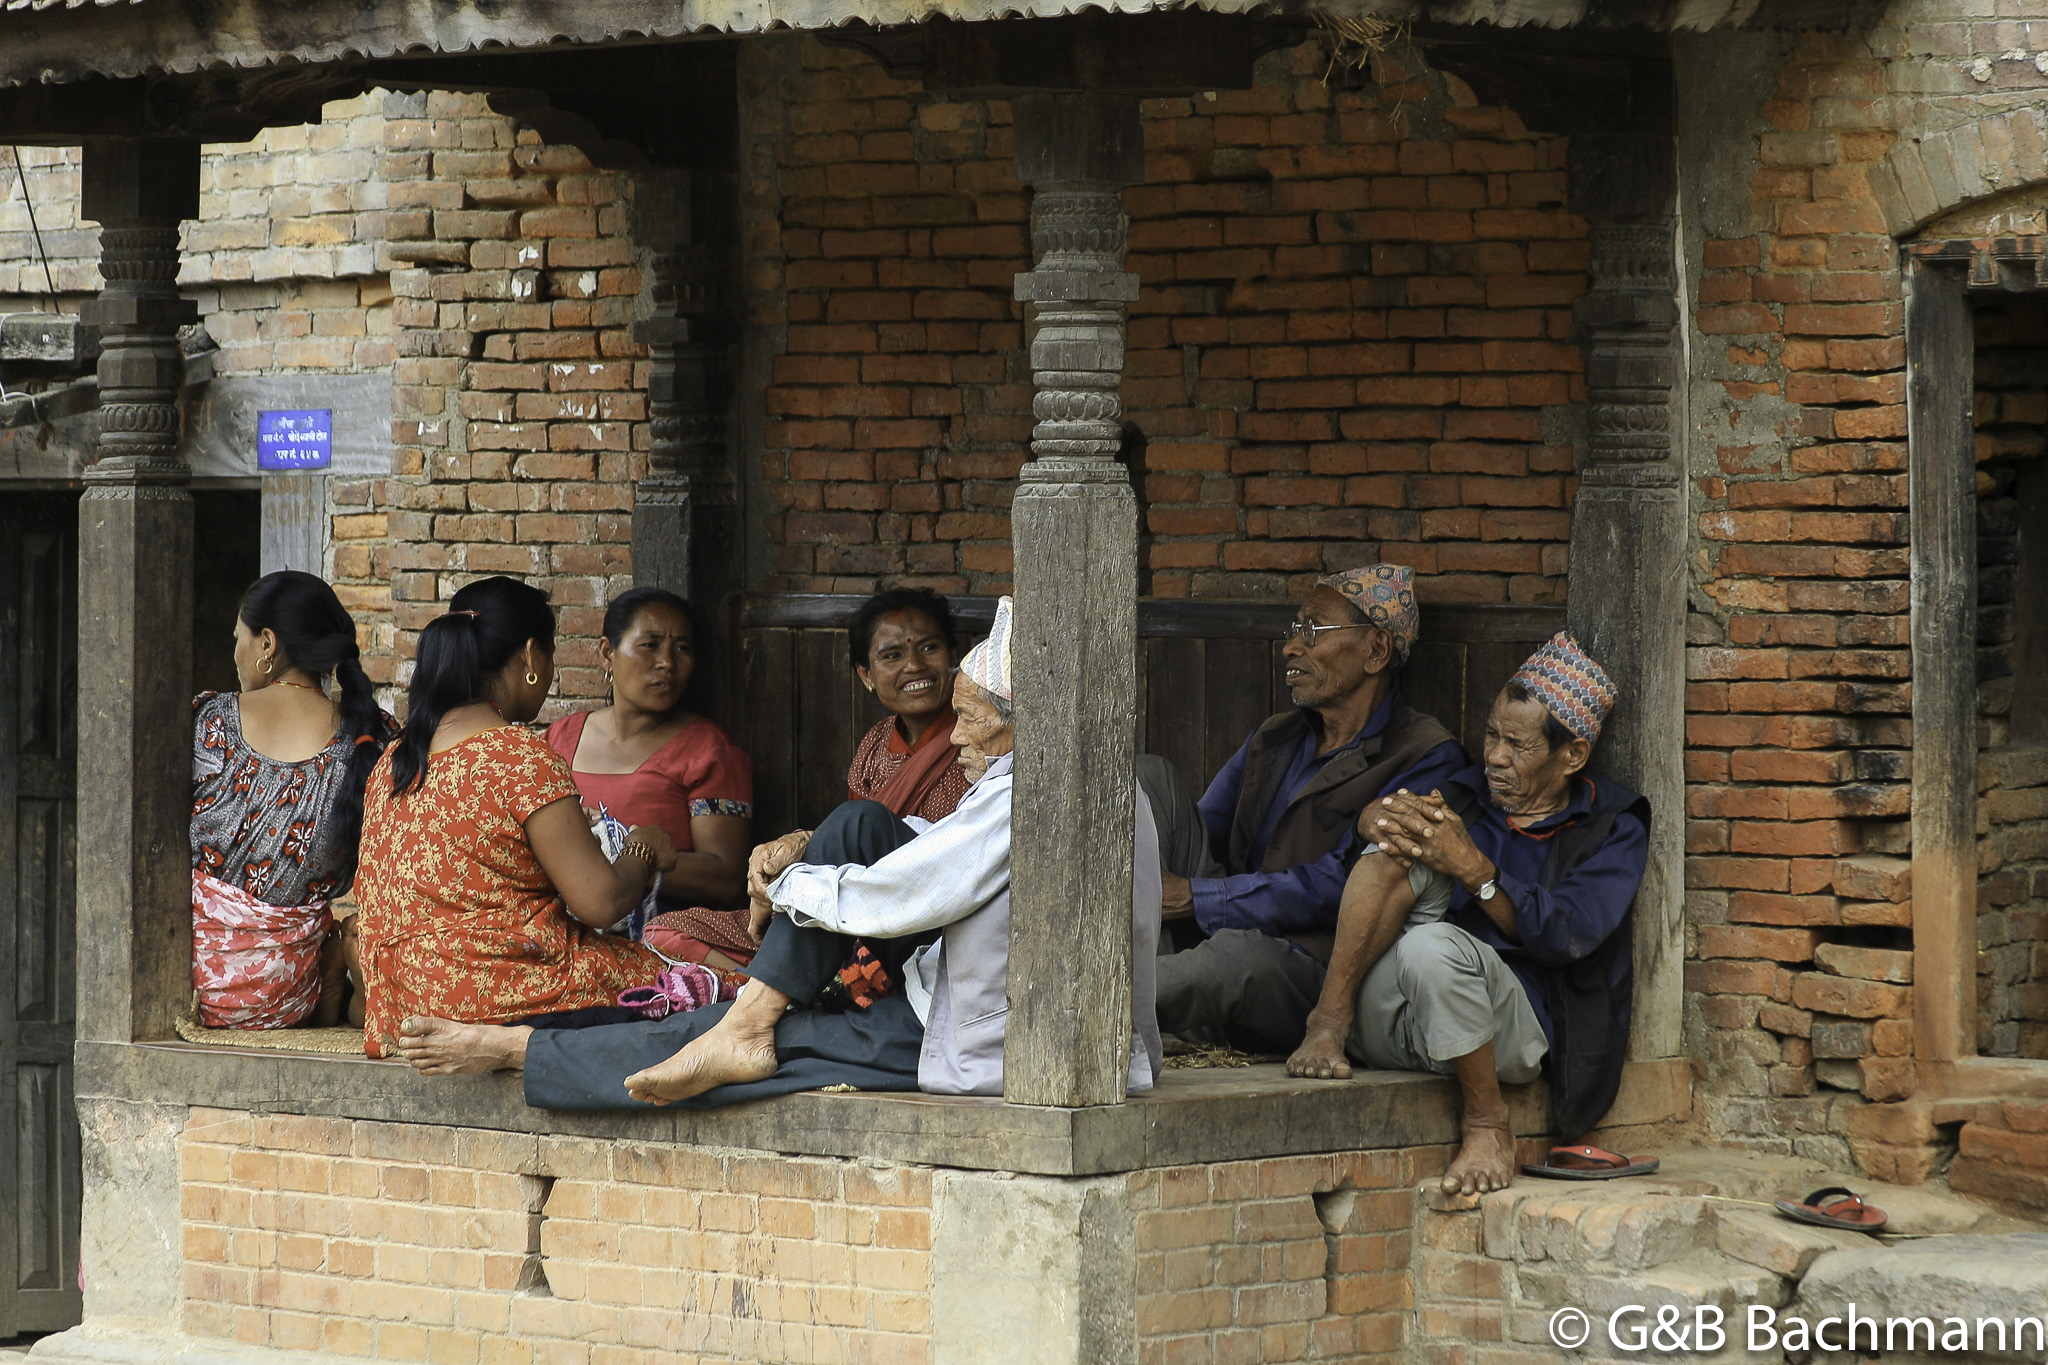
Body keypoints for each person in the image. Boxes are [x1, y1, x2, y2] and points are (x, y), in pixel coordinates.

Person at [388, 595, 1166, 1110]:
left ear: (1022, 718)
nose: (955, 735)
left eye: (971, 720)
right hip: (952, 987)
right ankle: (750, 1018)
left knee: (736, 1032)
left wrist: (794, 885)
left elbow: (914, 894)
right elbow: (937, 853)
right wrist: (805, 853)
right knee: (857, 825)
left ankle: (526, 1050)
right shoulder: (1077, 773)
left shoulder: (1039, 788)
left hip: (979, 1040)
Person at [1286, 632, 1649, 1199]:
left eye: (1519, 746)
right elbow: (1353, 860)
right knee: (1406, 839)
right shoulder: (1466, 792)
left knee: (1432, 944)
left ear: (1571, 755)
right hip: (1404, 1021)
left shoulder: (1612, 828)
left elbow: (1565, 934)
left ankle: (1486, 1123)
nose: (1495, 757)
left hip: (1511, 1031)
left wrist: (1477, 872)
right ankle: (1327, 1025)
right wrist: (1372, 820)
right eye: (1491, 736)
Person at [353, 576, 681, 1059]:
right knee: (706, 989)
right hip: (500, 998)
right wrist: (644, 847)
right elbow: (602, 902)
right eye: (548, 656)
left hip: (405, 1011)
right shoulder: (519, 754)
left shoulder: (396, 760)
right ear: (530, 657)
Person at [1150, 564, 1464, 1054]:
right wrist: (1171, 886)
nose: (1292, 647)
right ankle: (1159, 985)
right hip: (1229, 924)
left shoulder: (1425, 756)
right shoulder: (1278, 735)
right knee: (1149, 780)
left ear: (1376, 651)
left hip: (1309, 963)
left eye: (1313, 630)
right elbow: (1204, 828)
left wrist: (1197, 897)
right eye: (1294, 629)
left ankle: (1082, 1001)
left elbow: (1340, 885)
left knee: (1234, 959)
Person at [190, 571, 396, 1029]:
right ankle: (329, 970)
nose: (235, 653)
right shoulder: (372, 738)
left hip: (194, 986)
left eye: (238, 638)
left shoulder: (210, 721)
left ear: (267, 643)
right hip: (288, 994)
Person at [544, 587, 754, 966]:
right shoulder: (558, 739)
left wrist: (623, 858)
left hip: (656, 940)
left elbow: (726, 877)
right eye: (650, 645)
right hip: (558, 932)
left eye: (682, 649)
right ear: (608, 653)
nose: (667, 664)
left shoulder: (709, 751)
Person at [844, 587, 973, 826]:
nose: (914, 665)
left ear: (953, 656)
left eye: (929, 648)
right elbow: (855, 837)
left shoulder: (980, 736)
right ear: (865, 675)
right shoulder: (873, 748)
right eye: (893, 655)